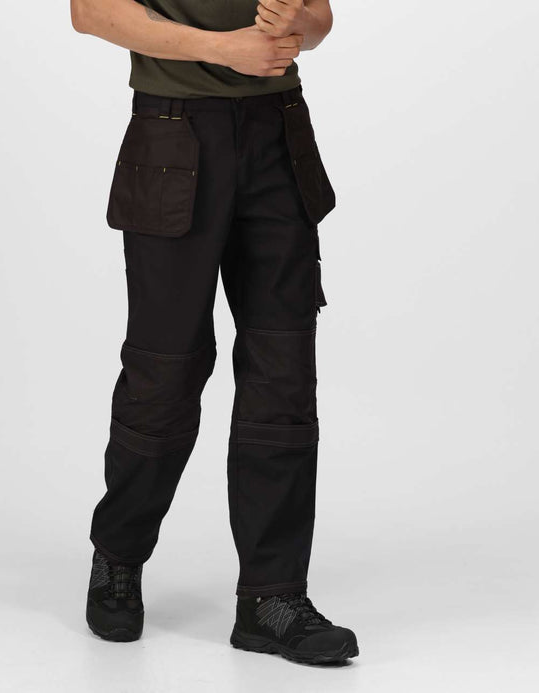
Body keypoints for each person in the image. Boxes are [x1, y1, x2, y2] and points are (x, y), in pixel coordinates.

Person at [70, 0, 359, 665]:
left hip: (278, 132)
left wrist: (297, 24)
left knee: (283, 373)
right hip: (172, 133)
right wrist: (223, 49)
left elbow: (319, 20)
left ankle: (272, 598)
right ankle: (118, 556)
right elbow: (89, 11)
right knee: (163, 371)